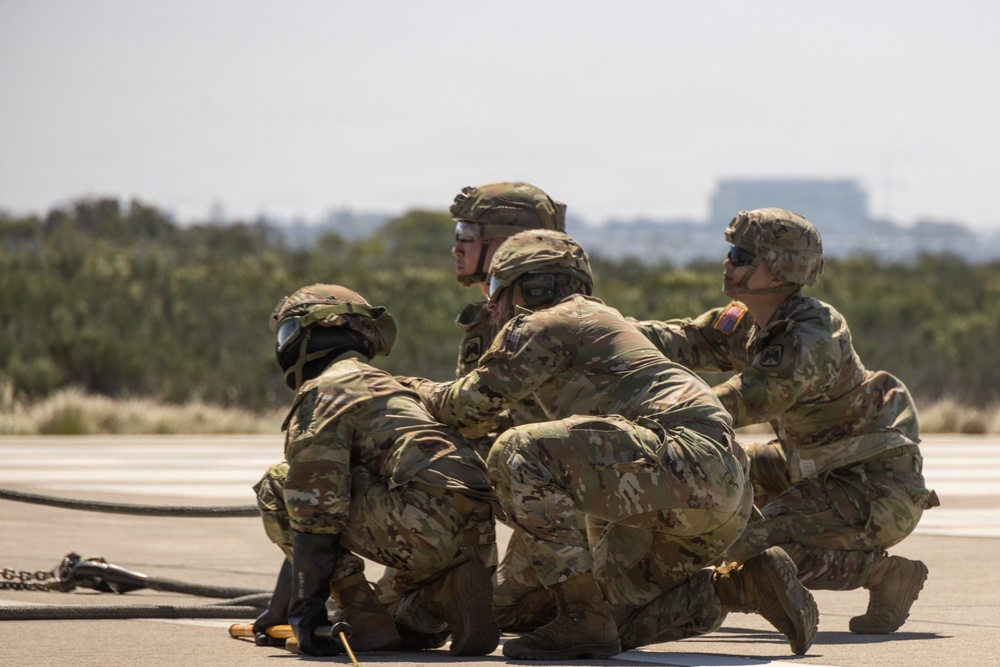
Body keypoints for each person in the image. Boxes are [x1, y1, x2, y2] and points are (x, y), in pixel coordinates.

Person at [403, 229, 818, 660]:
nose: (490, 304)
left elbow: (463, 407)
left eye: (496, 288)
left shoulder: (546, 322)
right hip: (713, 491)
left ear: (530, 287)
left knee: (514, 452)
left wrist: (405, 388)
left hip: (679, 462)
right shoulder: (601, 322)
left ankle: (580, 615)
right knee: (600, 622)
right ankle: (741, 584)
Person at [631, 207, 940, 634]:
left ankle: (884, 575)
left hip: (874, 487)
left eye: (741, 256)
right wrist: (597, 330)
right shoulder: (749, 322)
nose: (729, 263)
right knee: (703, 480)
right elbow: (682, 339)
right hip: (809, 464)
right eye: (731, 253)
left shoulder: (808, 339)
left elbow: (741, 402)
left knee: (741, 546)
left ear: (778, 272)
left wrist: (647, 417)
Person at [252, 284, 500, 656]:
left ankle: (363, 613)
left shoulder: (328, 388)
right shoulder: (393, 387)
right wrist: (279, 609)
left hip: (420, 523)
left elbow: (314, 511)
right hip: (473, 537)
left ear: (317, 331)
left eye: (289, 332)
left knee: (279, 484)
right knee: (401, 624)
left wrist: (307, 613)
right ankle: (442, 594)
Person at [446, 180, 568, 632]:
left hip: (574, 505)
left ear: (504, 246)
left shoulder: (544, 325)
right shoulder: (488, 321)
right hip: (535, 497)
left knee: (484, 615)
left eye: (467, 236)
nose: (456, 248)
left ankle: (729, 587)